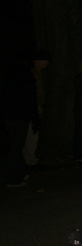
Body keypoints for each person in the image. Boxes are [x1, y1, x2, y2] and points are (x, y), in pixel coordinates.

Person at [3, 57, 38, 188]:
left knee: (17, 145)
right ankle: (12, 178)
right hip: (20, 118)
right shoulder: (26, 80)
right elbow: (30, 100)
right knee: (17, 147)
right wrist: (33, 117)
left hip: (10, 117)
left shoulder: (9, 79)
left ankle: (19, 173)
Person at [23, 48, 50, 169]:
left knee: (33, 135)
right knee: (31, 135)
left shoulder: (38, 73)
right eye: (45, 61)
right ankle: (30, 161)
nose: (47, 64)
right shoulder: (32, 73)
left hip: (36, 107)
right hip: (31, 108)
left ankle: (30, 159)